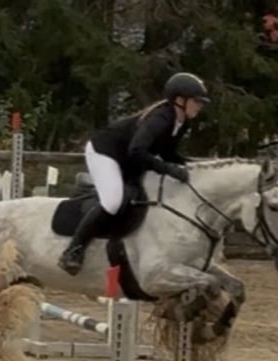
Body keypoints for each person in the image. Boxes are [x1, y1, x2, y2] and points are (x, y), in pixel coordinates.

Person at [58, 72, 210, 275]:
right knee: (113, 202)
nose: (200, 106)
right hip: (105, 152)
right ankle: (73, 250)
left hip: (127, 159)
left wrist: (194, 167)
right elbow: (137, 151)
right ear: (180, 100)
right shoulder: (160, 119)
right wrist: (169, 169)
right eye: (196, 101)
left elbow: (168, 153)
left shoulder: (181, 122)